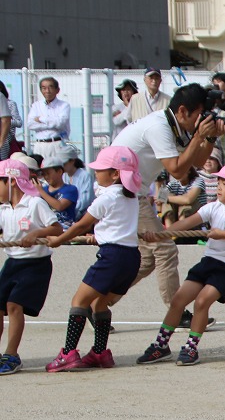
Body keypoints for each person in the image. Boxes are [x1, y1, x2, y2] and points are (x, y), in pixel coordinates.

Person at [112, 84, 225, 319]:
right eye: (198, 116)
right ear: (183, 111)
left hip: (134, 192)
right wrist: (198, 136)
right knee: (165, 249)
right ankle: (177, 312)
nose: (200, 121)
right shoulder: (159, 126)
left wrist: (211, 137)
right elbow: (176, 171)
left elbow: (195, 163)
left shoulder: (175, 127)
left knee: (146, 260)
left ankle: (99, 302)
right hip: (121, 191)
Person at [135, 161, 225, 366]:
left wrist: (222, 233)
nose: (219, 187)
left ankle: (191, 347)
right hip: (209, 262)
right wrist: (161, 235)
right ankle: (161, 345)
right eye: (219, 182)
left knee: (202, 302)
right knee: (178, 301)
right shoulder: (213, 207)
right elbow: (186, 223)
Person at [43, 146, 143, 372]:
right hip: (130, 257)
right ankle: (100, 353)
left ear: (115, 174)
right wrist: (98, 236)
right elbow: (114, 226)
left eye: (100, 170)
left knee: (79, 301)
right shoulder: (132, 197)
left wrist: (59, 240)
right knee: (99, 303)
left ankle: (68, 353)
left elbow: (81, 224)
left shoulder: (106, 197)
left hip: (112, 256)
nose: (96, 174)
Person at [0, 158, 62, 374]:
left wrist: (36, 233)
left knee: (14, 305)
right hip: (12, 263)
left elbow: (57, 229)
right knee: (0, 307)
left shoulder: (35, 203)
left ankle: (12, 354)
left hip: (35, 264)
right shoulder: (4, 208)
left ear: (11, 181)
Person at [27, 77, 71, 163]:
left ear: (57, 90)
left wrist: (40, 118)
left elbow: (60, 123)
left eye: (50, 87)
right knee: (40, 171)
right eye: (44, 88)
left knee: (58, 170)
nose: (47, 91)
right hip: (39, 145)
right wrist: (51, 123)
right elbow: (30, 124)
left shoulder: (64, 105)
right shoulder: (36, 105)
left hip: (56, 143)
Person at [36, 155, 79, 229]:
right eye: (43, 174)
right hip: (47, 229)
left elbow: (60, 206)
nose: (46, 177)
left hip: (66, 230)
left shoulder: (70, 189)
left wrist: (41, 192)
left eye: (48, 173)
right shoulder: (43, 189)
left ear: (59, 172)